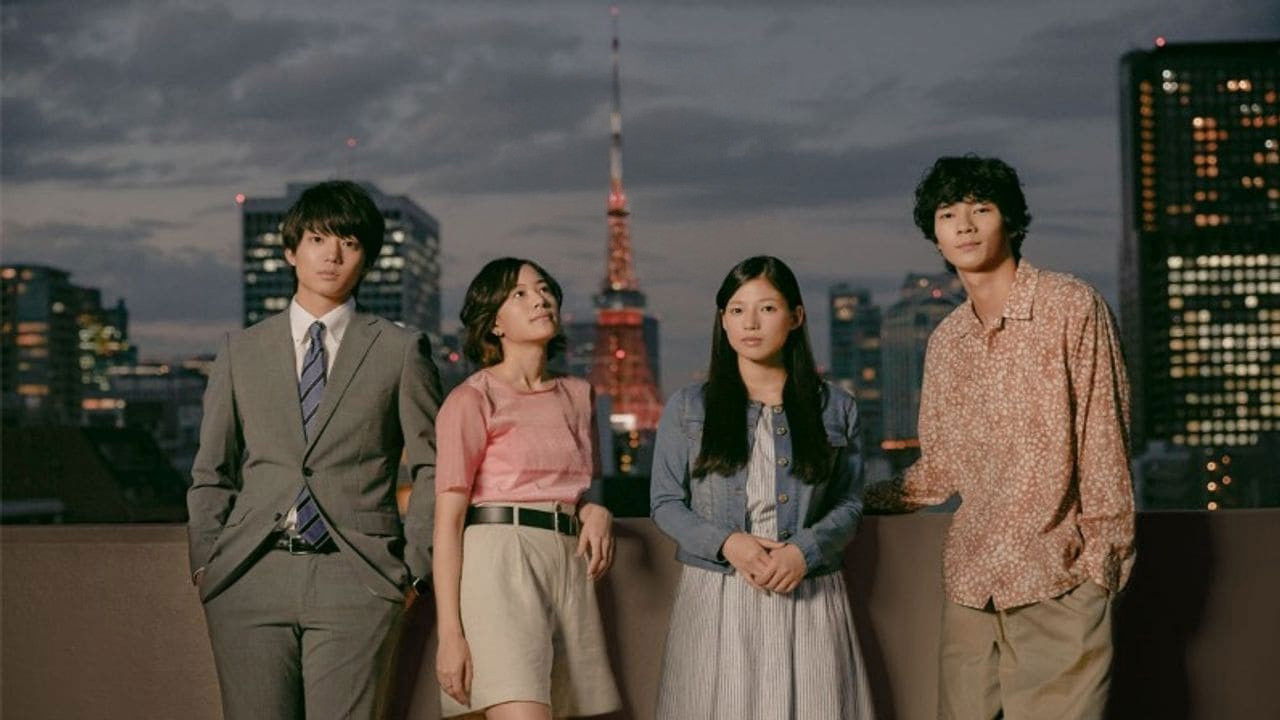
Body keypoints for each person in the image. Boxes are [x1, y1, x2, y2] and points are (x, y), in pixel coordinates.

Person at [865, 155, 1135, 719]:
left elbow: (1104, 444)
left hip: (1058, 581)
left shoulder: (1070, 306)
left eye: (980, 209)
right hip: (971, 590)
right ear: (935, 235)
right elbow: (938, 472)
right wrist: (850, 499)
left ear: (1009, 219)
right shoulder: (948, 341)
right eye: (947, 214)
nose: (963, 226)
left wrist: (1098, 575)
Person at [187, 180, 442, 719]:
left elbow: (432, 467)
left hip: (358, 574)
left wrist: (415, 569)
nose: (332, 255)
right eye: (318, 239)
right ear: (290, 251)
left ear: (367, 258)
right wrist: (208, 564)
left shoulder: (400, 350)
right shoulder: (240, 351)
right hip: (249, 575)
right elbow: (212, 470)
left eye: (349, 242)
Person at [650, 255, 876, 719]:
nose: (750, 323)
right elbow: (666, 502)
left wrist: (803, 551)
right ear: (723, 320)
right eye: (737, 310)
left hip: (808, 588)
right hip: (718, 590)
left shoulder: (835, 407)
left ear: (796, 317)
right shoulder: (689, 407)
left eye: (767, 308)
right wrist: (728, 543)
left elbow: (849, 502)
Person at [432, 257, 621, 720]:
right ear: (494, 323)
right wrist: (450, 634)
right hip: (499, 560)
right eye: (519, 294)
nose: (539, 299)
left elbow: (575, 488)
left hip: (568, 563)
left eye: (544, 289)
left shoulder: (579, 395)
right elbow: (448, 523)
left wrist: (594, 511)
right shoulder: (471, 398)